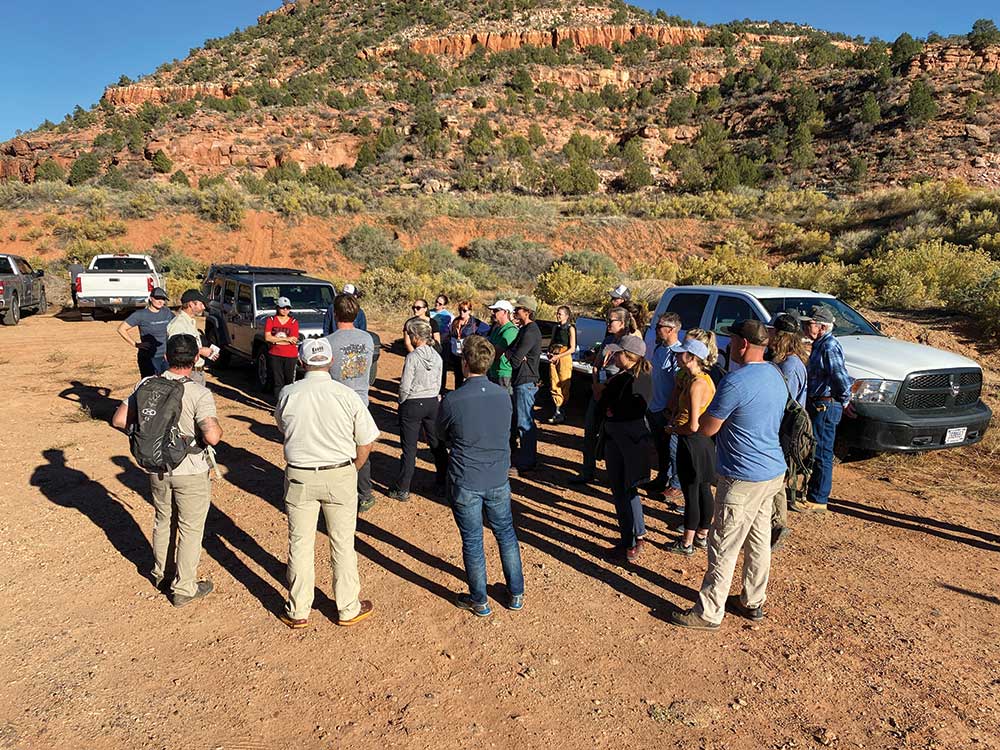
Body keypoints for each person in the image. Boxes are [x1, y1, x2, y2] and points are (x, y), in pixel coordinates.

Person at [670, 320, 788, 630]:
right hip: (771, 471)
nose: (728, 346)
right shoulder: (775, 374)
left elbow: (708, 428)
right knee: (758, 541)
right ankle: (753, 600)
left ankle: (709, 612)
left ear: (743, 345)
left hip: (742, 475)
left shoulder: (736, 382)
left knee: (724, 543)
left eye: (732, 340)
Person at [274, 338, 379, 629]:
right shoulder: (346, 395)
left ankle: (298, 609)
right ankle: (347, 607)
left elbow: (282, 426)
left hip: (300, 475)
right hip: (340, 473)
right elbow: (366, 439)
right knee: (343, 543)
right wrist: (354, 467)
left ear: (301, 362)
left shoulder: (289, 393)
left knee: (300, 543)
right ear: (330, 362)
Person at [111, 334, 222, 608]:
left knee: (163, 519)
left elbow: (119, 420)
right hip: (191, 469)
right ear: (196, 358)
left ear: (165, 358)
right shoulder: (199, 392)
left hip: (156, 465)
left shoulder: (146, 384)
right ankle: (184, 587)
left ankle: (162, 573)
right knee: (190, 527)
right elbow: (213, 437)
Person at [438, 335, 525, 617]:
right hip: (498, 475)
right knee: (506, 534)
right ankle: (516, 593)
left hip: (466, 478)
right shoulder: (503, 395)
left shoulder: (453, 399)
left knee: (473, 540)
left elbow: (440, 434)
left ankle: (480, 600)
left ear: (465, 363)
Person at [599, 334, 653, 562]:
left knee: (623, 490)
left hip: (623, 438)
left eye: (617, 353)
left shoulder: (627, 380)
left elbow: (605, 404)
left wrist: (611, 407)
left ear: (627, 356)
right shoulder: (639, 376)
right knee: (626, 489)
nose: (613, 356)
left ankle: (630, 540)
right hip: (631, 438)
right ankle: (633, 536)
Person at [797, 305, 854, 514]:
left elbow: (840, 376)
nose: (805, 326)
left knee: (822, 450)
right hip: (820, 403)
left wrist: (845, 401)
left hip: (826, 404)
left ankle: (819, 498)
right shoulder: (820, 344)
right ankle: (814, 493)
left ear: (821, 326)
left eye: (809, 323)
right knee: (817, 449)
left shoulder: (829, 346)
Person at [323, 293, 377, 513]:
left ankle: (337, 490)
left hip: (337, 402)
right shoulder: (367, 339)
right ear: (357, 314)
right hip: (361, 400)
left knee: (336, 449)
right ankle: (365, 494)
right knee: (361, 445)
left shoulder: (328, 342)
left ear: (335, 314)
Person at [570, 305, 635, 484]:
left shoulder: (629, 343)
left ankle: (617, 475)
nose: (608, 324)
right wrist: (595, 384)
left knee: (614, 436)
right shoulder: (607, 340)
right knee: (590, 430)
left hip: (616, 392)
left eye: (611, 321)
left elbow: (630, 370)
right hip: (599, 389)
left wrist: (603, 386)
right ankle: (587, 471)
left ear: (622, 322)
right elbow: (597, 363)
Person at [665, 337, 717, 556]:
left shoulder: (697, 384)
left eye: (680, 353)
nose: (677, 356)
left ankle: (687, 541)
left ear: (692, 358)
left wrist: (674, 430)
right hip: (704, 442)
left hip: (692, 441)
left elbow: (693, 425)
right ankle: (702, 536)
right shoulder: (705, 379)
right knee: (704, 488)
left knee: (692, 492)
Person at [390, 319, 447, 502]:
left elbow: (405, 385)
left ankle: (403, 488)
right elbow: (439, 382)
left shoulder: (413, 357)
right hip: (432, 402)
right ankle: (443, 482)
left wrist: (402, 401)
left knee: (409, 448)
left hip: (413, 403)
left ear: (415, 336)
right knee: (437, 444)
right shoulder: (437, 356)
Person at [768, 310, 809, 547]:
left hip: (785, 429)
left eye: (774, 331)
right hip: (782, 428)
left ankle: (777, 524)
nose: (770, 335)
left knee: (776, 477)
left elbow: (786, 401)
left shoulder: (790, 365)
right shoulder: (787, 361)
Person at [642, 312, 683, 501]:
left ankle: (676, 485)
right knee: (661, 447)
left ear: (672, 329)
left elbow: (678, 384)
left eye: (660, 327)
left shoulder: (678, 353)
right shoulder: (660, 349)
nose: (657, 330)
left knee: (673, 449)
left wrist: (670, 408)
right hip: (654, 405)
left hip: (667, 409)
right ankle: (662, 478)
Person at [502, 296, 542, 474]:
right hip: (522, 380)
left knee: (524, 422)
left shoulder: (530, 332)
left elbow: (515, 359)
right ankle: (526, 459)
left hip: (526, 381)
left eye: (518, 309)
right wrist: (515, 354)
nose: (515, 311)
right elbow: (512, 351)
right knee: (523, 420)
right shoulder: (525, 329)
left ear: (527, 311)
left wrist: (515, 354)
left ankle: (526, 462)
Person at [117, 287, 174, 377]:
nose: (160, 301)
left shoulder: (167, 312)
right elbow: (121, 329)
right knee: (150, 386)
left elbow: (176, 326)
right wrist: (136, 344)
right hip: (148, 357)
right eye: (157, 298)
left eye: (163, 299)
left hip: (166, 357)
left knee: (167, 384)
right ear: (151, 298)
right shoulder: (140, 314)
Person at [166, 289, 216, 386]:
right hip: (188, 373)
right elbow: (177, 350)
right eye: (201, 304)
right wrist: (201, 351)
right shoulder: (179, 324)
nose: (204, 307)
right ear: (191, 304)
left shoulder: (189, 322)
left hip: (196, 372)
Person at [546, 305, 576, 425]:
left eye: (560, 314)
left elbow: (572, 348)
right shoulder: (555, 328)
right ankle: (557, 410)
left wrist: (559, 356)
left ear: (567, 316)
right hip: (554, 354)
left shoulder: (570, 328)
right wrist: (549, 352)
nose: (558, 316)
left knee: (564, 383)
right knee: (554, 382)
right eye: (557, 313)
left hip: (564, 356)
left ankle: (562, 411)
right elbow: (552, 341)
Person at [264, 296, 300, 397]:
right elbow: (267, 338)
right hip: (275, 354)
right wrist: (286, 339)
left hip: (290, 356)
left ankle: (288, 403)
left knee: (289, 382)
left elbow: (294, 340)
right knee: (277, 381)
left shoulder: (293, 322)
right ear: (277, 308)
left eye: (287, 308)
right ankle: (277, 404)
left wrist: (276, 340)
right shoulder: (271, 320)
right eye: (282, 307)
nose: (285, 310)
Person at [486, 300, 518, 392]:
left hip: (504, 373)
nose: (493, 313)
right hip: (493, 371)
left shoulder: (511, 331)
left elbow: (496, 352)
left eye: (496, 311)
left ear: (505, 312)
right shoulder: (497, 329)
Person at [447, 300, 479, 390]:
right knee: (457, 375)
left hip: (467, 354)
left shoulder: (474, 323)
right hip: (456, 354)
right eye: (460, 310)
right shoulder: (455, 321)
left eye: (464, 310)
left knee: (468, 376)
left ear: (469, 311)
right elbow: (450, 334)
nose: (462, 312)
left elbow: (484, 333)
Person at [433, 294, 455, 394]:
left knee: (442, 367)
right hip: (430, 344)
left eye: (440, 303)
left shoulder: (449, 316)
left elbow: (451, 331)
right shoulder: (429, 313)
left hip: (443, 345)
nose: (437, 304)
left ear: (444, 305)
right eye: (436, 301)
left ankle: (441, 389)